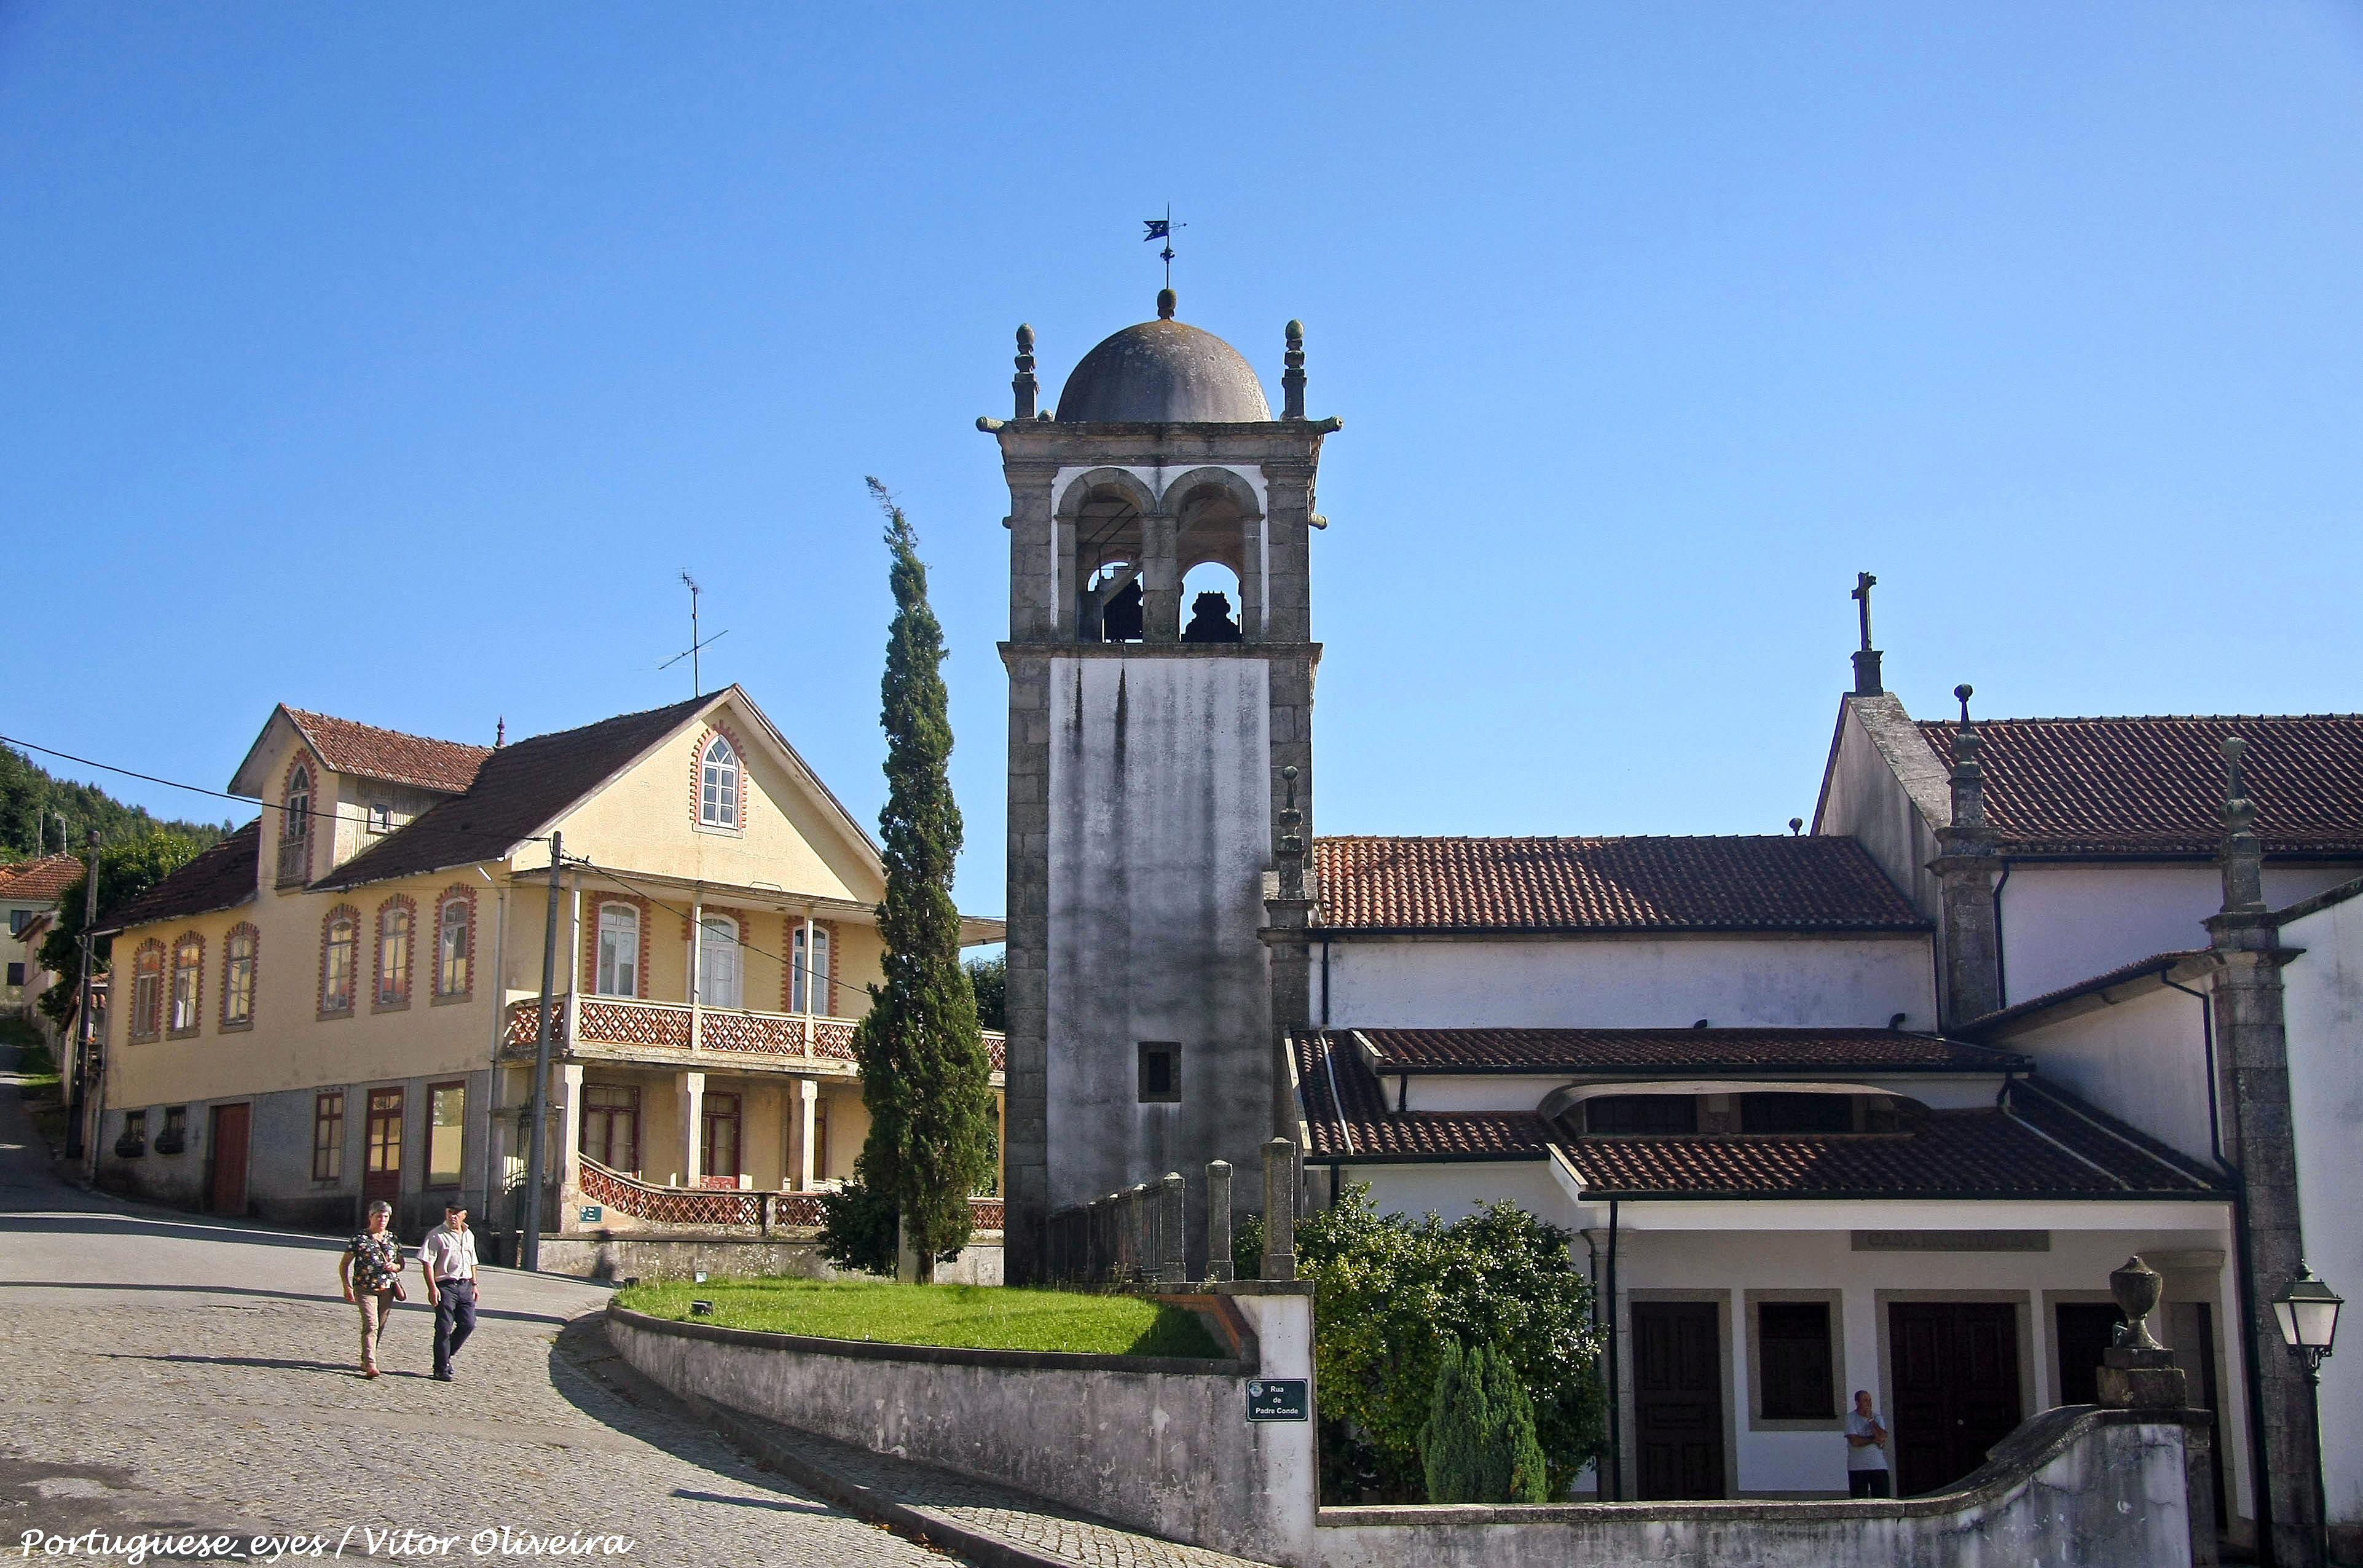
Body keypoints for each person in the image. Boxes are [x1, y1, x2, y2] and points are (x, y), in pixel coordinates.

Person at [339, 1200, 404, 1379]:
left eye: (386, 1217)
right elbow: (345, 1264)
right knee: (371, 1325)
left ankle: (366, 1358)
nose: (382, 1220)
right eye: (378, 1216)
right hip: (365, 1288)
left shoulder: (392, 1240)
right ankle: (371, 1364)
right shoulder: (360, 1239)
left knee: (380, 1326)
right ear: (370, 1217)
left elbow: (401, 1264)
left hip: (387, 1289)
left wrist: (395, 1267)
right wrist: (347, 1286)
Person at [417, 1200, 481, 1382]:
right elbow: (428, 1263)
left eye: (457, 1213)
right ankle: (440, 1368)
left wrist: (475, 1284)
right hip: (445, 1285)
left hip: (465, 1285)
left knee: (468, 1324)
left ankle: (445, 1357)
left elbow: (472, 1260)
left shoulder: (469, 1235)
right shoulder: (436, 1235)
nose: (453, 1216)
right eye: (450, 1212)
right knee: (444, 1328)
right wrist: (432, 1288)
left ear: (464, 1215)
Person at [1845, 1388, 1892, 1498]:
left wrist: (1871, 1420)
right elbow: (1855, 1441)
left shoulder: (1877, 1418)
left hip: (1878, 1466)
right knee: (1859, 1501)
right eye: (1865, 1400)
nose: (1869, 1403)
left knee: (1882, 1500)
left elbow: (1882, 1437)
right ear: (1857, 1402)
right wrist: (1873, 1440)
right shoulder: (1850, 1418)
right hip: (1857, 1467)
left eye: (1870, 1400)